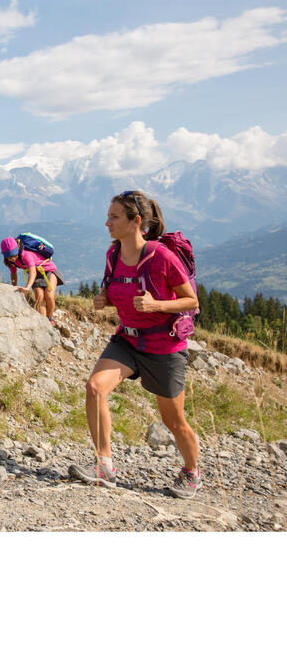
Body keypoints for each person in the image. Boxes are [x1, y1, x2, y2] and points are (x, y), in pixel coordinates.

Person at [69, 190, 202, 499]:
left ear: (136, 222)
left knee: (173, 420)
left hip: (163, 347)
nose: (107, 222)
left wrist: (157, 306)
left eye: (114, 217)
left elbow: (191, 300)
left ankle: (192, 471)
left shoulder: (161, 257)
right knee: (94, 388)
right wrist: (103, 299)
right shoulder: (112, 255)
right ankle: (104, 465)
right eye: (108, 216)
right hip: (127, 340)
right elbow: (114, 290)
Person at [0, 235, 65, 322]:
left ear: (18, 248)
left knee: (49, 294)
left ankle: (50, 319)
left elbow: (32, 272)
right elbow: (13, 274)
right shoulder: (10, 261)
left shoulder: (26, 255)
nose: (13, 258)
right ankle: (44, 323)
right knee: (39, 297)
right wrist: (14, 286)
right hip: (37, 275)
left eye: (14, 255)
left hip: (49, 270)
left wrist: (27, 287)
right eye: (10, 257)